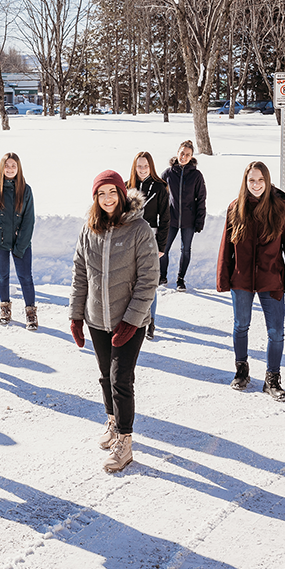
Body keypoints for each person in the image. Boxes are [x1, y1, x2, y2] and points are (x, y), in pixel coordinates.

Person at [70, 170, 158, 473]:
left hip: (129, 320)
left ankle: (125, 441)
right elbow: (80, 274)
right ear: (95, 198)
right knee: (106, 376)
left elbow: (149, 280)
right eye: (101, 193)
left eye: (112, 192)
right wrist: (76, 316)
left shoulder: (140, 230)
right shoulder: (89, 229)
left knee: (121, 379)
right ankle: (112, 420)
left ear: (122, 194)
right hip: (97, 318)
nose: (107, 199)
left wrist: (132, 322)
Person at [217, 161, 285, 402]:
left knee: (276, 331)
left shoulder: (281, 208)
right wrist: (224, 278)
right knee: (241, 325)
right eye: (251, 180)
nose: (256, 185)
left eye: (260, 180)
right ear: (245, 182)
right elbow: (226, 249)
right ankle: (241, 370)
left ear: (268, 181)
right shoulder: (235, 208)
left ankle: (272, 378)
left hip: (272, 279)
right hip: (241, 280)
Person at [0, 152, 38, 330]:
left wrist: (21, 245)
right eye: (7, 165)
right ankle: (4, 308)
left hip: (21, 241)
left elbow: (29, 220)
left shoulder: (26, 190)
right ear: (2, 168)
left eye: (13, 166)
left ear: (18, 168)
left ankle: (30, 312)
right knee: (2, 275)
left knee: (25, 277)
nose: (10, 169)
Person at [127, 151, 170, 339]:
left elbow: (166, 218)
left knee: (149, 281)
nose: (142, 170)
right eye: (139, 166)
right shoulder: (127, 186)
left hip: (150, 238)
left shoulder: (160, 188)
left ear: (151, 167)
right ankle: (134, 319)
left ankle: (151, 321)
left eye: (146, 166)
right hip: (129, 239)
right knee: (130, 280)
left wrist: (161, 246)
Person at [160, 139, 206, 291]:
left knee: (185, 249)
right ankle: (162, 276)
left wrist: (200, 220)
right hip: (171, 219)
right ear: (177, 153)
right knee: (163, 249)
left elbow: (201, 199)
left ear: (192, 156)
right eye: (182, 153)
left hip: (189, 220)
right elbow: (160, 197)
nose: (184, 157)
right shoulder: (168, 173)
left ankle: (181, 279)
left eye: (187, 154)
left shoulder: (196, 175)